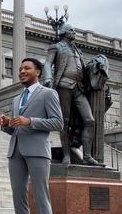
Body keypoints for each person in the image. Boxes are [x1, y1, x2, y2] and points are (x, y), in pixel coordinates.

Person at [0, 58, 63, 214]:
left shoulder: (48, 94)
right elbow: (16, 128)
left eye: (27, 68)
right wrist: (7, 124)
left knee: (42, 199)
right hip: (15, 151)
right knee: (19, 199)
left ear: (38, 73)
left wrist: (30, 121)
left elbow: (57, 123)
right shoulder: (17, 99)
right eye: (20, 69)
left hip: (37, 151)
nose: (22, 71)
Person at [42, 24, 100, 165]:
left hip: (79, 88)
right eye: (71, 30)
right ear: (63, 32)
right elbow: (47, 64)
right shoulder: (56, 47)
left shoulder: (78, 50)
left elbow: (84, 69)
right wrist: (48, 78)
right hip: (63, 86)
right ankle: (66, 154)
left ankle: (86, 156)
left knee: (90, 120)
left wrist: (97, 66)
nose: (74, 32)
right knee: (65, 122)